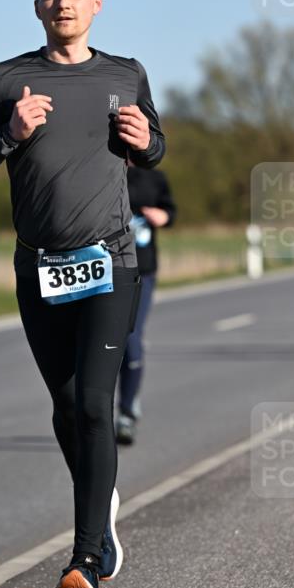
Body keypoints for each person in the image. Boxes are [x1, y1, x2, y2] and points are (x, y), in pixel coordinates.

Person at [0, 0, 165, 588]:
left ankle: (83, 559)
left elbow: (154, 145)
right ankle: (102, 512)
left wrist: (145, 140)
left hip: (110, 264)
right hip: (38, 267)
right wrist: (8, 134)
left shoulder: (125, 73)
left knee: (97, 405)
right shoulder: (7, 79)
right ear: (36, 5)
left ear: (96, 3)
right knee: (68, 406)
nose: (62, 2)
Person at [116, 163, 176, 445]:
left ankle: (127, 411)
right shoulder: (98, 168)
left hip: (143, 269)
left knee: (131, 339)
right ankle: (96, 417)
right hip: (104, 271)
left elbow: (170, 210)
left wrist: (161, 216)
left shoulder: (154, 176)